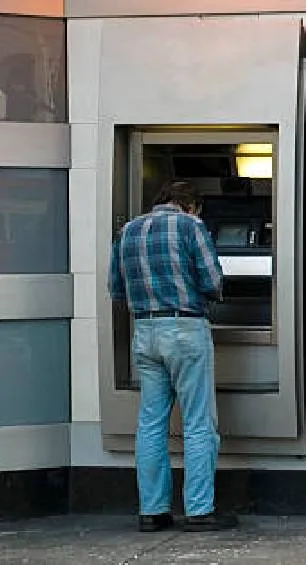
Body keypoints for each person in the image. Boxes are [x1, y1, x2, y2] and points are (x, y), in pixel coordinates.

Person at [108, 179, 235, 532]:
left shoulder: (128, 231)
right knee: (198, 422)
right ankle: (199, 510)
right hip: (184, 328)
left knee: (151, 423)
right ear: (191, 206)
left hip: (144, 331)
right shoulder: (191, 226)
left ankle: (152, 511)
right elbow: (212, 280)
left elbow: (116, 289)